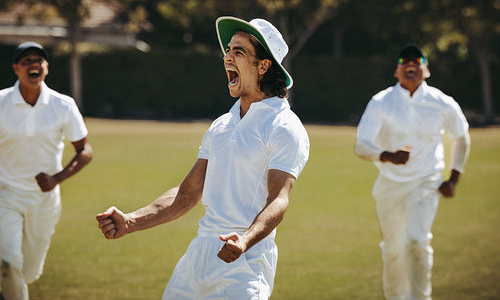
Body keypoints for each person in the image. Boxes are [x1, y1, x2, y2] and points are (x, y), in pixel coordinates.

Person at [96, 16, 309, 299]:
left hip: (244, 265)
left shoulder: (284, 126)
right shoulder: (222, 124)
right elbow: (187, 194)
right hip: (197, 258)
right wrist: (131, 221)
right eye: (228, 50)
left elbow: (279, 199)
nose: (227, 57)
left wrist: (244, 240)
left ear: (264, 66)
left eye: (239, 52)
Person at [354, 44, 471, 300]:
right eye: (404, 60)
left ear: (425, 70)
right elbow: (361, 144)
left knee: (418, 242)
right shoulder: (381, 102)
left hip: (426, 181)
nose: (410, 64)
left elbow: (461, 138)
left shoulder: (442, 103)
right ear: (397, 70)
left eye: (417, 60)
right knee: (393, 250)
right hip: (389, 185)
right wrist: (387, 156)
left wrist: (453, 178)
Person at [0, 41, 93, 300]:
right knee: (8, 262)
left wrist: (56, 178)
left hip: (45, 200)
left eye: (38, 60)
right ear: (16, 68)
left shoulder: (62, 105)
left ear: (46, 68)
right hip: (6, 195)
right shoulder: (1, 102)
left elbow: (84, 150)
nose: (33, 64)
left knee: (28, 272)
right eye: (27, 60)